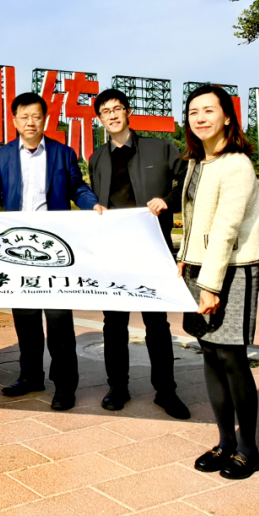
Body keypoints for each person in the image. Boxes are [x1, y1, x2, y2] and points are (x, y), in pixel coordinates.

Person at [0, 92, 104, 411]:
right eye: (24, 116)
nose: (30, 122)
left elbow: (77, 188)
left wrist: (92, 205)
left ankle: (64, 386)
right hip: (18, 248)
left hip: (53, 248)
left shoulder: (62, 153)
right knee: (26, 318)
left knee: (59, 320)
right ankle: (30, 376)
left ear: (45, 119)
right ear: (14, 120)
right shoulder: (2, 155)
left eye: (36, 116)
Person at [177, 85, 259, 480]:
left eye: (209, 110)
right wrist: (184, 258)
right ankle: (225, 442)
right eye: (193, 112)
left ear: (227, 117)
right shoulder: (199, 162)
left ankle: (249, 449)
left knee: (231, 357)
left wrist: (211, 286)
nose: (200, 118)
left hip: (232, 269)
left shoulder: (237, 164)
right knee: (210, 355)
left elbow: (226, 228)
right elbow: (196, 220)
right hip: (200, 267)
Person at [88, 88, 190, 419]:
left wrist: (167, 201)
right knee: (113, 324)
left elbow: (187, 182)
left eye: (117, 108)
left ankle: (166, 392)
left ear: (128, 112)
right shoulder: (97, 158)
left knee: (156, 323)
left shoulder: (161, 148)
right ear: (99, 119)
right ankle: (117, 387)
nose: (112, 115)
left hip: (152, 249)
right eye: (106, 111)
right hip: (113, 252)